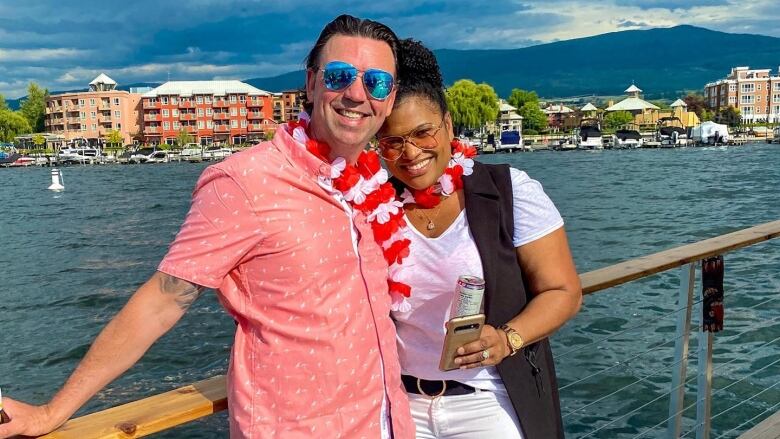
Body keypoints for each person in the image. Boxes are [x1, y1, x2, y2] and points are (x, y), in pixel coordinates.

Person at [0, 15, 415, 439]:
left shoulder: (371, 185)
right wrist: (52, 412)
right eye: (340, 76)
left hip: (386, 423)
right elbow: (163, 300)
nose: (357, 94)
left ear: (390, 96)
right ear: (310, 84)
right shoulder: (246, 181)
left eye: (377, 82)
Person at [375, 39, 582, 438]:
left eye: (422, 132)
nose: (410, 152)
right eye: (392, 141)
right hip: (397, 407)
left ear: (449, 126)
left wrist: (507, 339)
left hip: (488, 399)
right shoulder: (371, 207)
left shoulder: (507, 190)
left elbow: (563, 291)